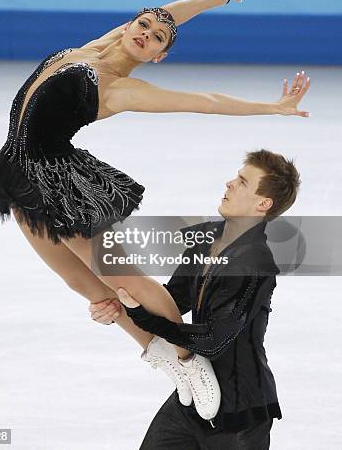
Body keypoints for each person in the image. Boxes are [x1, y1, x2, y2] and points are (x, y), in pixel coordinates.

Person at [0, 0, 309, 406]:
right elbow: (168, 13)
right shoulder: (90, 49)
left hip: (57, 186)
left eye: (156, 39)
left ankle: (190, 360)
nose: (147, 33)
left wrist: (272, 107)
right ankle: (159, 355)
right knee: (79, 282)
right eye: (143, 25)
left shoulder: (119, 90)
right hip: (17, 177)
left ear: (158, 56)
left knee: (123, 277)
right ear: (131, 23)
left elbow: (205, 103)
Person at [91, 149, 300, 449]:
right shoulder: (206, 238)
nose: (229, 183)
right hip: (192, 396)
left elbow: (214, 339)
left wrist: (145, 319)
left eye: (242, 182)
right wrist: (120, 305)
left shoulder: (256, 265)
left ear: (262, 204)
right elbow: (174, 299)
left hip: (240, 416)